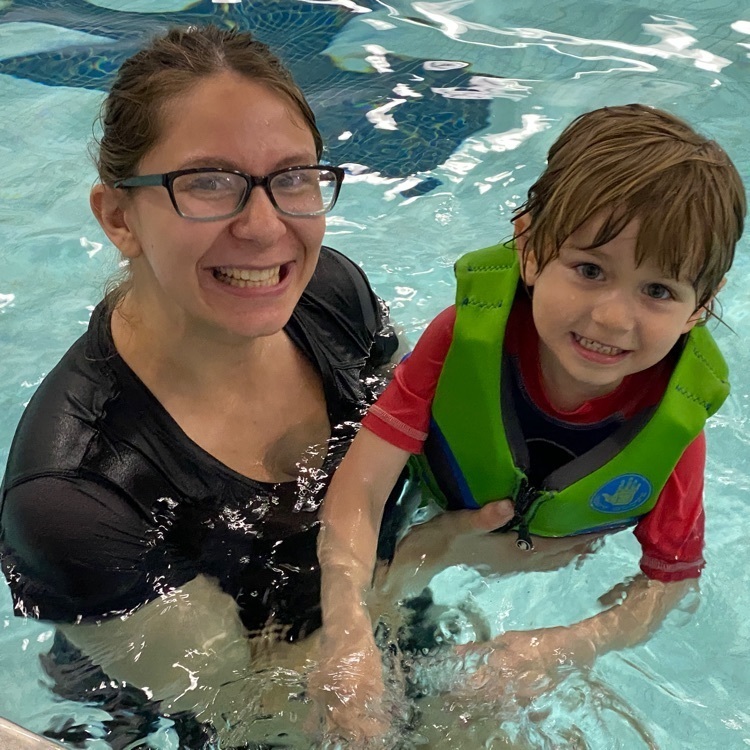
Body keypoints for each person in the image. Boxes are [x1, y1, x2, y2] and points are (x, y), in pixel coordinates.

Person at [0, 24, 398, 744]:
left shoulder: (333, 296)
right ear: (119, 218)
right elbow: (254, 710)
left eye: (293, 177)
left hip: (362, 627)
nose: (264, 226)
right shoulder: (77, 498)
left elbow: (413, 450)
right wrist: (456, 552)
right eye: (208, 183)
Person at [314, 104, 746, 739]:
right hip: (428, 507)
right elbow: (363, 485)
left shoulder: (672, 423)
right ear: (530, 246)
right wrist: (345, 627)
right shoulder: (462, 340)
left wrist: (567, 643)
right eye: (590, 270)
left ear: (699, 309)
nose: (612, 319)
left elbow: (668, 585)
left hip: (550, 556)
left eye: (658, 291)